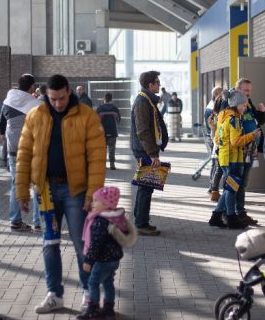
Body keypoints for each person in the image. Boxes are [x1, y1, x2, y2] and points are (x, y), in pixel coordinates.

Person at [15, 74, 106, 314]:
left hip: (77, 192)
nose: (57, 103)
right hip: (45, 192)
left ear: (69, 92)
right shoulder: (35, 115)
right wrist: (21, 190)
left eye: (62, 98)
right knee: (49, 243)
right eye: (53, 99)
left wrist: (93, 195)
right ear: (46, 94)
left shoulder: (87, 116)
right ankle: (54, 295)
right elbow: (24, 154)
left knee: (82, 244)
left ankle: (89, 295)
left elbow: (97, 158)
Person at [78, 186, 136, 319]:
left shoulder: (101, 221)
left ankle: (93, 310)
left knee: (92, 283)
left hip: (103, 260)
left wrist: (88, 261)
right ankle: (109, 310)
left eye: (95, 201)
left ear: (105, 204)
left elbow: (96, 244)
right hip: (114, 259)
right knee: (108, 282)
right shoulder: (116, 218)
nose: (92, 203)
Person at [208, 89, 261, 229]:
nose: (245, 107)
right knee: (231, 190)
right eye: (243, 105)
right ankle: (231, 219)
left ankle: (216, 217)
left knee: (228, 189)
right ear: (236, 104)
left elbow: (217, 139)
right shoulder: (234, 120)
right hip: (233, 159)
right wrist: (252, 135)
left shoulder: (223, 116)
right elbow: (236, 141)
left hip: (225, 158)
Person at [0, 74, 41, 232]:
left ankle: (15, 221)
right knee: (38, 184)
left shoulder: (7, 101)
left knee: (16, 184)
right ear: (32, 87)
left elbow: (2, 124)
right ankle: (38, 222)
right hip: (32, 150)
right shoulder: (36, 104)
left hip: (13, 149)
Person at [130, 70, 168, 236]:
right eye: (157, 82)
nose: (159, 85)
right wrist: (153, 154)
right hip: (144, 149)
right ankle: (140, 223)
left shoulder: (148, 100)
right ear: (150, 85)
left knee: (145, 186)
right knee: (146, 186)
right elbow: (143, 131)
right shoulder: (142, 102)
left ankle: (140, 220)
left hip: (146, 149)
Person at [234, 78, 265, 226]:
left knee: (243, 182)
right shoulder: (232, 103)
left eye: (250, 90)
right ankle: (236, 213)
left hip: (250, 149)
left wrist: (263, 112)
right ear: (238, 90)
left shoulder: (248, 102)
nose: (249, 93)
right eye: (246, 90)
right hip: (239, 149)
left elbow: (256, 121)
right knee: (237, 183)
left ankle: (237, 212)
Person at [205, 86, 224, 201]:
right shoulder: (214, 109)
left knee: (216, 165)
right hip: (215, 140)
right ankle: (212, 189)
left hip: (213, 139)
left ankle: (212, 188)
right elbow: (212, 127)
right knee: (217, 166)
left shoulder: (212, 106)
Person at [96, 93, 121, 170]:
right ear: (111, 99)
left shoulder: (99, 108)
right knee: (112, 148)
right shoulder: (115, 108)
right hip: (112, 131)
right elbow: (118, 120)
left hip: (102, 132)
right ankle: (112, 164)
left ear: (104, 99)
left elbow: (95, 121)